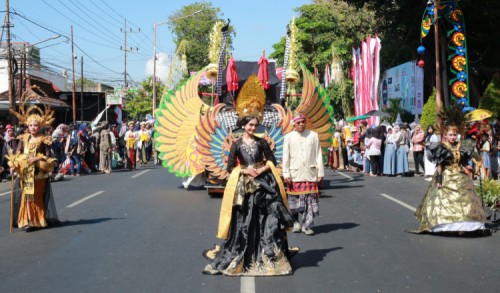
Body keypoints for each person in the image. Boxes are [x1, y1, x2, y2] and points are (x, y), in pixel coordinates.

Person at [203, 115, 295, 276]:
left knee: (267, 219)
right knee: (245, 219)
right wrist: (245, 171)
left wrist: (260, 170)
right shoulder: (236, 144)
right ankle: (244, 252)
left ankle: (268, 253)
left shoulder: (262, 142)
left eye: (255, 125)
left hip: (263, 183)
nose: (253, 128)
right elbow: (231, 167)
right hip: (245, 185)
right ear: (244, 125)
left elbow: (271, 160)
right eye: (250, 125)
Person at [411, 125, 487, 235]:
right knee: (444, 201)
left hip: (460, 176)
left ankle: (463, 227)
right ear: (445, 136)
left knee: (465, 201)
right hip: (446, 176)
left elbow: (464, 163)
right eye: (450, 135)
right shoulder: (442, 147)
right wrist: (439, 180)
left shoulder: (461, 146)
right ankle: (444, 225)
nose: (452, 137)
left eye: (454, 135)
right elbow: (440, 165)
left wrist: (474, 170)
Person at [7, 107, 60, 231]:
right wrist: (13, 165)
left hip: (38, 174)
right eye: (30, 125)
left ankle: (37, 221)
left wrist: (35, 159)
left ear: (39, 126)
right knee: (26, 196)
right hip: (25, 173)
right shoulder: (24, 139)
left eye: (35, 125)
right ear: (27, 126)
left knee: (35, 197)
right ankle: (27, 220)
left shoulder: (44, 140)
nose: (33, 127)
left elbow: (48, 156)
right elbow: (16, 153)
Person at [282, 113, 324, 235]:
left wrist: (320, 172)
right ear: (294, 124)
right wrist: (286, 173)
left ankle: (307, 225)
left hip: (310, 174)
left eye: (303, 122)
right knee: (294, 202)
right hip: (294, 175)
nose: (301, 124)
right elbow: (286, 157)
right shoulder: (288, 137)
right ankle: (295, 223)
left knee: (310, 201)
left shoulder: (313, 136)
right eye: (299, 122)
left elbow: (318, 155)